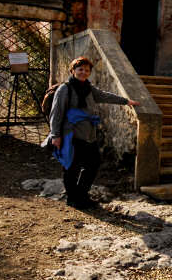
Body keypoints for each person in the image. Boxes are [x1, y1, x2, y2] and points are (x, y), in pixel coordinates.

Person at [50, 55, 138, 209]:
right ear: (73, 70)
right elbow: (56, 113)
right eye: (80, 69)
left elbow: (105, 96)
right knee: (72, 167)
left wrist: (126, 101)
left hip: (89, 135)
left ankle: (82, 195)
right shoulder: (65, 89)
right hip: (71, 134)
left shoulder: (89, 89)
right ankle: (73, 198)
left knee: (93, 163)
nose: (83, 72)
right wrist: (55, 135)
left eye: (86, 70)